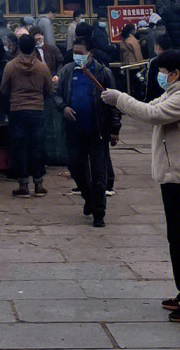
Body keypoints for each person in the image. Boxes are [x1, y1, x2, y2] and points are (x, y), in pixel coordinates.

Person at [101, 49, 180, 323]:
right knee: (177, 239)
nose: (159, 75)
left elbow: (151, 113)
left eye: (162, 71)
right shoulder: (175, 93)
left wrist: (119, 99)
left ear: (174, 74)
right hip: (172, 175)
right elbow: (151, 104)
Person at [53, 35, 120, 228]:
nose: (77, 56)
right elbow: (56, 93)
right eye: (74, 53)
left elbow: (115, 102)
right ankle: (88, 197)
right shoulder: (67, 71)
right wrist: (63, 107)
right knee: (76, 168)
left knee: (99, 174)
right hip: (74, 131)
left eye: (80, 53)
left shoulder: (102, 72)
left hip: (97, 131)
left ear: (90, 53)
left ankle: (99, 212)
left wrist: (115, 129)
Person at [0, 32, 54, 197]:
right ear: (33, 47)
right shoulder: (42, 67)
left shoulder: (10, 66)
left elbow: (4, 89)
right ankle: (39, 185)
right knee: (37, 147)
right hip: (37, 110)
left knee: (20, 147)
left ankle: (23, 185)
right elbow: (49, 90)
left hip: (17, 110)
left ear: (18, 46)